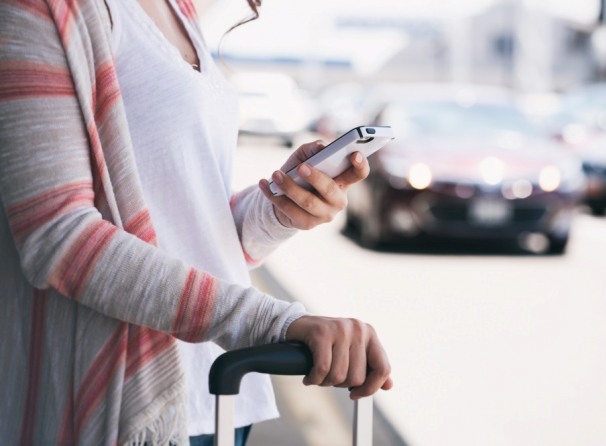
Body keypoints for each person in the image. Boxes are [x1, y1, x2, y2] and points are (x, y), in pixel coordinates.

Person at [0, 0, 393, 445]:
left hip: (222, 396)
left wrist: (279, 210)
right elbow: (58, 236)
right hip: (130, 406)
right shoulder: (40, 9)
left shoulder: (179, 9)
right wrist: (270, 323)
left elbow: (192, 229)